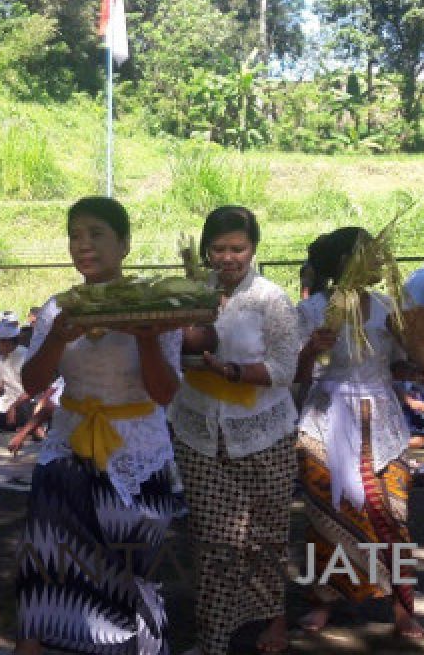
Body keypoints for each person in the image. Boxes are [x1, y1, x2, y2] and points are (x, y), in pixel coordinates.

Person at [16, 196, 183, 655]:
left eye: (96, 234)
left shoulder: (155, 306)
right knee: (49, 560)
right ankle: (32, 646)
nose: (83, 245)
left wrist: (147, 339)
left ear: (124, 244)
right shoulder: (57, 309)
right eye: (74, 235)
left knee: (132, 566)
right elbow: (31, 382)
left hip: (138, 453)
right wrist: (56, 338)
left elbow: (166, 392)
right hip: (67, 450)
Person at [167, 206, 301, 655]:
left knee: (267, 534)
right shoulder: (189, 292)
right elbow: (170, 349)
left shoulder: (270, 298)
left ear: (253, 249)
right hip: (198, 433)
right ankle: (214, 637)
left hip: (263, 434)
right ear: (206, 250)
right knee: (214, 540)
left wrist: (233, 371)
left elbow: (285, 368)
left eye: (237, 248)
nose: (227, 257)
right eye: (219, 248)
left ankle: (274, 621)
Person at [294, 227, 424, 639]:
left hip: (381, 417)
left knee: (392, 513)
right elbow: (295, 377)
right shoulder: (313, 310)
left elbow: (405, 365)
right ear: (345, 264)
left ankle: (402, 606)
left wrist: (422, 361)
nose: (379, 261)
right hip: (325, 417)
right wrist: (312, 350)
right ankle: (323, 601)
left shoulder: (392, 306)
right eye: (370, 254)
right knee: (327, 515)